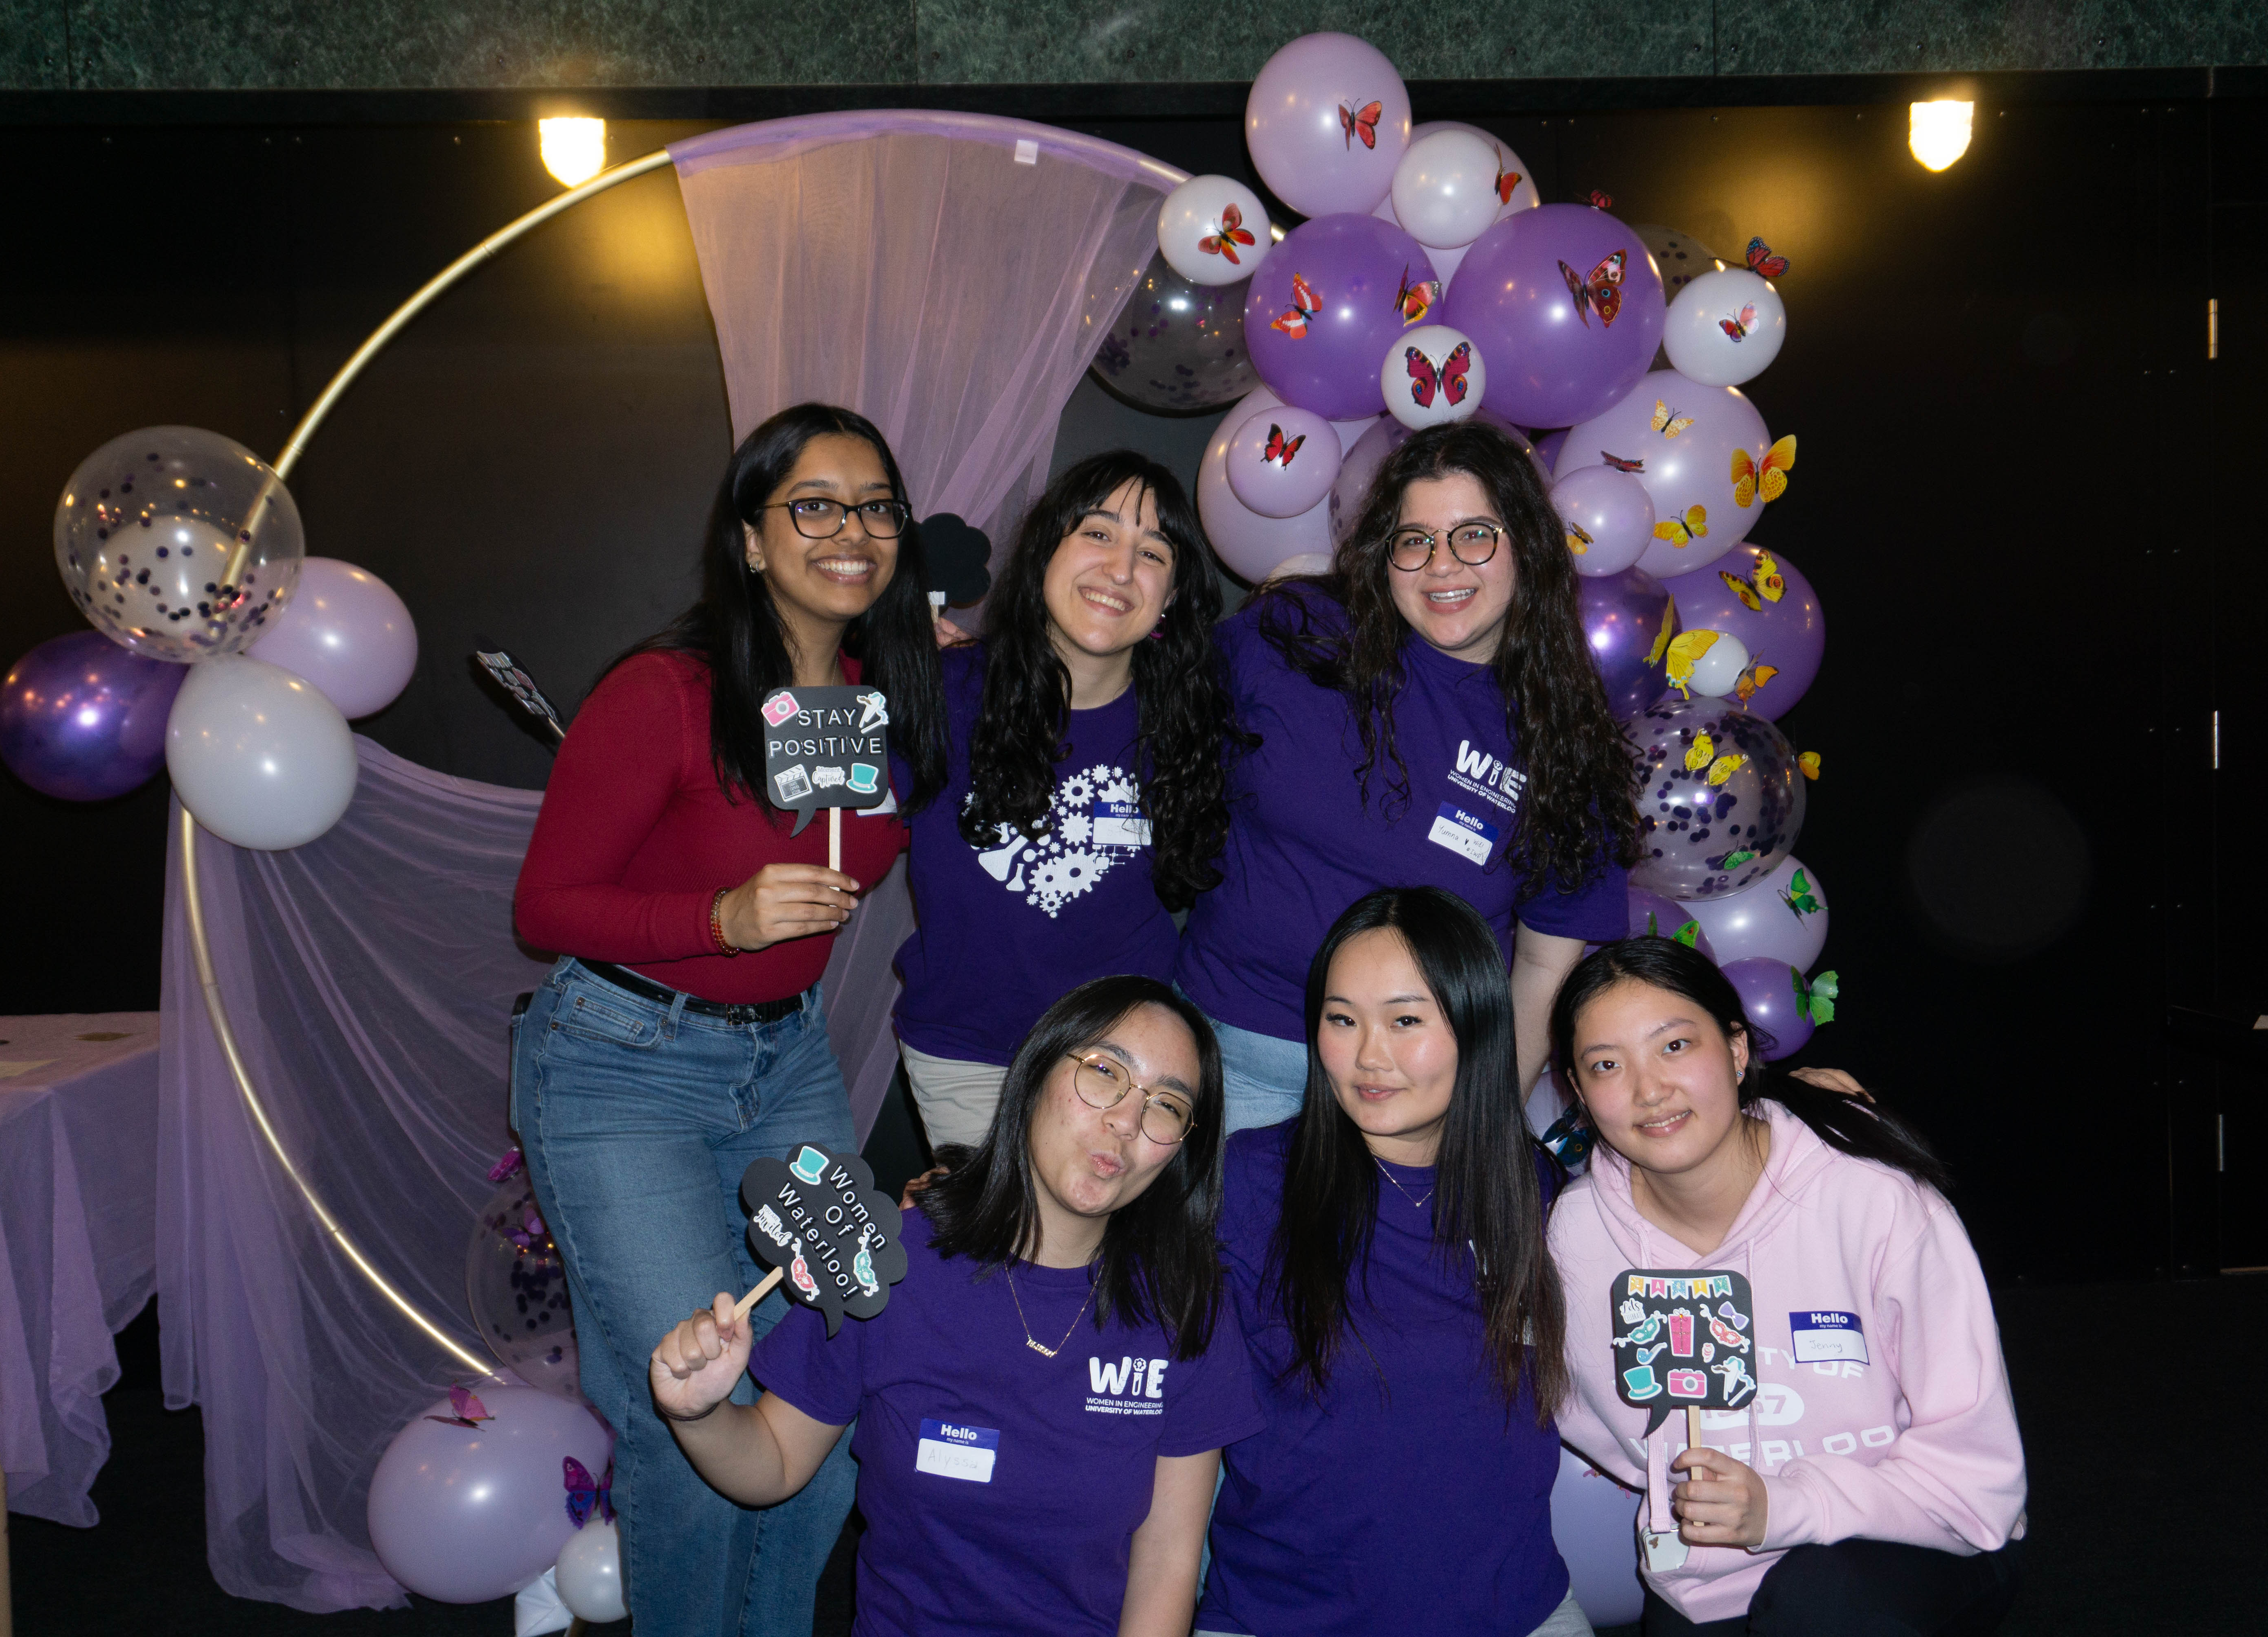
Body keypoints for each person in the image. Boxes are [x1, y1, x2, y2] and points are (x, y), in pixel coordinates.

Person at [510, 402, 947, 1637]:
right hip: (621, 1071)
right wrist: (723, 916)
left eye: (875, 507)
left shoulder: (881, 698)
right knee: (685, 1399)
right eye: (814, 506)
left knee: (845, 1359)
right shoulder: (666, 691)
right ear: (753, 539)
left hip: (786, 1067)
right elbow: (546, 907)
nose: (850, 532)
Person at [649, 975, 1263, 1637]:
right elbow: (772, 1461)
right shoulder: (887, 1265)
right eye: (1105, 1071)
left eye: (1167, 1106)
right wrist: (700, 1414)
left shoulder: (1185, 1306)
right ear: (1034, 1074)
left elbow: (1168, 1563)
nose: (1126, 1120)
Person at [1546, 938, 2027, 1635]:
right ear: (1579, 1093)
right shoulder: (1579, 1234)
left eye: (1676, 1047)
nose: (1649, 1091)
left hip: (1910, 1538)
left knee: (1824, 1604)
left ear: (1738, 1050)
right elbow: (1594, 1416)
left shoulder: (1873, 1200)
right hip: (1707, 1579)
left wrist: (1787, 1503)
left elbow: (1977, 1475)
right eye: (1607, 1066)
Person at [1173, 419, 1636, 1133]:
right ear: (1384, 556)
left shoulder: (1567, 736)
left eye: (1475, 534)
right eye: (1414, 541)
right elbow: (1143, 696)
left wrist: (1476, 1134)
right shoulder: (1295, 635)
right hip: (1228, 1065)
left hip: (1410, 1100)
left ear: (1530, 547)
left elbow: (1544, 971)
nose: (1442, 565)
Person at [1199, 886, 1594, 1637]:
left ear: (1477, 1026)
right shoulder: (1246, 1183)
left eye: (1406, 1021)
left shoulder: (1532, 1188)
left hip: (1518, 1614)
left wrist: (1783, 1108)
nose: (1369, 1056)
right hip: (1287, 1619)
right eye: (1341, 1020)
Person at [893, 451, 1235, 1150]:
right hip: (967, 1059)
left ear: (1170, 595)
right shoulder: (940, 690)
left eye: (1153, 552)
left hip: (1125, 1064)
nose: (1120, 570)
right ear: (1048, 546)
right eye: (1099, 534)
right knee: (1001, 1256)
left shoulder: (1193, 725)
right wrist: (868, 643)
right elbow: (793, 786)